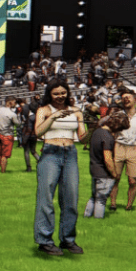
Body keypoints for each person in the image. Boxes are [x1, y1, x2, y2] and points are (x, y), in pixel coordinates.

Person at [32, 79, 86, 256]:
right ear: (50, 94)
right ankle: (44, 240)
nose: (60, 96)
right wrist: (54, 117)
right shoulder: (44, 110)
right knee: (46, 198)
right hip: (50, 152)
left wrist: (95, 129)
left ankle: (68, 239)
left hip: (70, 153)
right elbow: (38, 132)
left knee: (71, 197)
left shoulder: (76, 111)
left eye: (63, 93)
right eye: (56, 93)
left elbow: (82, 138)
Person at [111, 93, 136, 211]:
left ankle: (129, 206)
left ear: (135, 100)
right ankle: (113, 204)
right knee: (115, 178)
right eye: (123, 98)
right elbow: (111, 133)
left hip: (134, 149)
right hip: (119, 147)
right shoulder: (117, 115)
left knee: (132, 181)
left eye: (128, 97)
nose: (126, 99)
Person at [84, 113, 120, 220]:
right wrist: (114, 174)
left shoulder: (97, 132)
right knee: (101, 199)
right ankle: (98, 219)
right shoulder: (107, 137)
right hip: (104, 173)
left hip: (94, 169)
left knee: (94, 196)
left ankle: (87, 216)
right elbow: (107, 158)